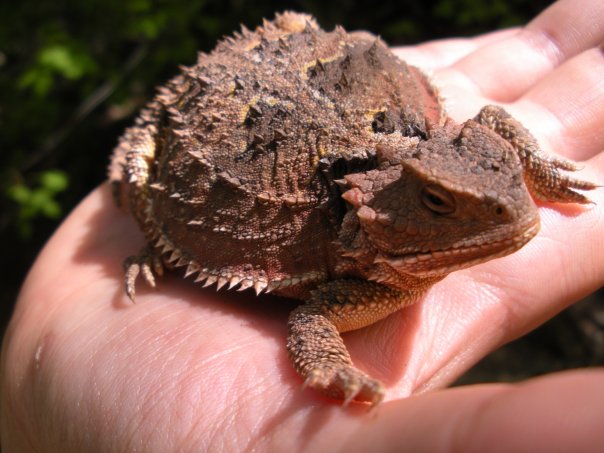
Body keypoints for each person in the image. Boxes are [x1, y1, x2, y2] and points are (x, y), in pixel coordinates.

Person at [2, 0, 603, 449]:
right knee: (136, 174)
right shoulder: (361, 276)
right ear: (384, 213)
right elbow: (313, 322)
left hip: (312, 70)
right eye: (439, 204)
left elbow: (493, 121)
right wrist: (330, 370)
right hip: (216, 106)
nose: (508, 211)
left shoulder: (446, 152)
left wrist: (538, 170)